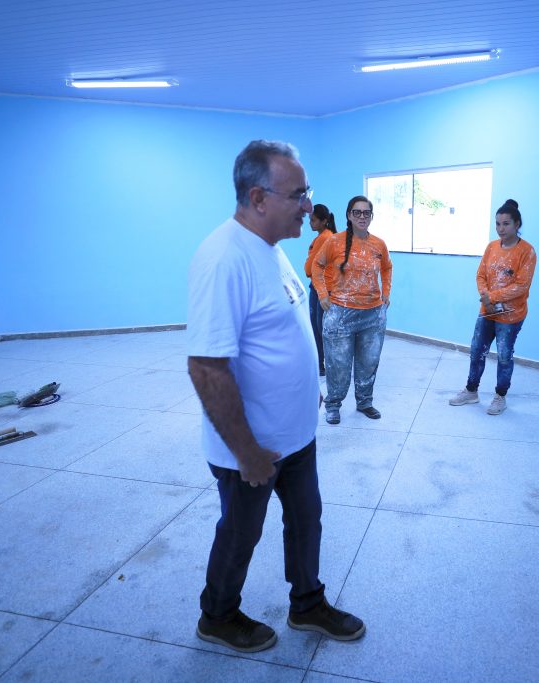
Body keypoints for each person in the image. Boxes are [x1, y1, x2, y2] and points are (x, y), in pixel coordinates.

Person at [187, 140, 365, 654]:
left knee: (306, 520)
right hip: (253, 449)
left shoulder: (271, 248)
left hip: (295, 437)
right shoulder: (223, 259)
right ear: (259, 198)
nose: (309, 205)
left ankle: (307, 603)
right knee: (241, 534)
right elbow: (206, 367)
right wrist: (245, 452)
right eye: (300, 194)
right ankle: (217, 615)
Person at [448, 199, 537, 415]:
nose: (501, 229)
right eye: (497, 224)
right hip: (487, 311)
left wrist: (492, 296)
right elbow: (480, 274)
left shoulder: (527, 251)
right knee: (477, 350)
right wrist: (485, 296)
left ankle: (500, 396)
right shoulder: (491, 247)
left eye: (506, 224)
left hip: (511, 315)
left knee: (504, 355)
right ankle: (471, 391)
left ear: (517, 224)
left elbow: (521, 285)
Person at [311, 195, 392, 425]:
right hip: (340, 315)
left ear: (371, 216)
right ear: (348, 215)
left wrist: (386, 294)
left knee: (369, 362)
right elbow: (317, 266)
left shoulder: (379, 244)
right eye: (357, 212)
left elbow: (387, 268)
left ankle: (365, 402)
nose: (362, 216)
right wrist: (323, 295)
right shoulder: (334, 242)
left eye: (366, 213)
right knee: (338, 365)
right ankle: (333, 404)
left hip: (373, 315)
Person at [305, 204, 338, 376]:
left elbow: (311, 267)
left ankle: (322, 364)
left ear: (324, 221)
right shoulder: (326, 236)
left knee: (321, 328)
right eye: (310, 219)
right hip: (321, 287)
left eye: (313, 220)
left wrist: (308, 271)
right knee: (320, 327)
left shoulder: (325, 238)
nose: (310, 223)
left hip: (323, 289)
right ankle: (321, 364)